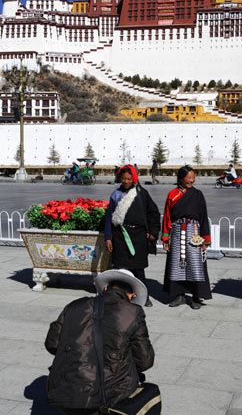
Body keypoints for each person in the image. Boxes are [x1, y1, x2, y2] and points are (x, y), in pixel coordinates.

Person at [45, 269, 155, 415]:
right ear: (131, 295)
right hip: (110, 394)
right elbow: (145, 360)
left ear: (105, 288)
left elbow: (52, 344)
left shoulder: (73, 306)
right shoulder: (133, 312)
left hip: (66, 391)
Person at [105, 165, 161, 307]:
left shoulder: (141, 193)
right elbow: (109, 218)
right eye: (123, 178)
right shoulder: (115, 195)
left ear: (134, 179)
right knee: (121, 270)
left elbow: (153, 213)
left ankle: (144, 296)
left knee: (138, 269)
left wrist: (153, 232)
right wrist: (108, 237)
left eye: (129, 179)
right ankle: (121, 296)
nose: (126, 181)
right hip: (120, 236)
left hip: (138, 237)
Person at [162, 165, 212, 309]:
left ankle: (196, 297)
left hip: (194, 232)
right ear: (181, 179)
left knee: (195, 265)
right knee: (177, 264)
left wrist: (205, 240)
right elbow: (166, 217)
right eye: (188, 178)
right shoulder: (172, 195)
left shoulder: (198, 194)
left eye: (193, 178)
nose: (191, 180)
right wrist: (165, 238)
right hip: (177, 232)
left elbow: (203, 217)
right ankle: (179, 295)